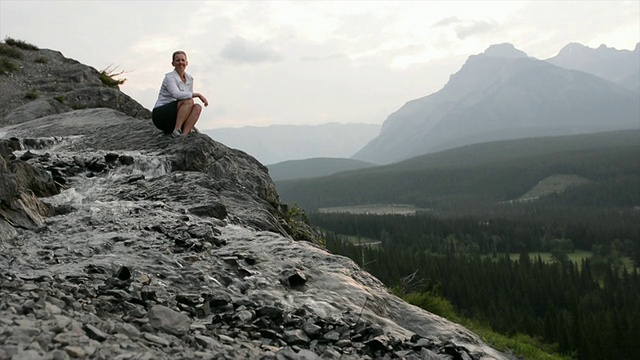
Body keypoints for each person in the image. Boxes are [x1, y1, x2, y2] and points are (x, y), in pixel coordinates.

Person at [152, 50, 208, 139]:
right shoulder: (169, 77)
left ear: (186, 62)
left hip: (177, 114)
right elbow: (176, 94)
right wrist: (198, 95)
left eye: (183, 60)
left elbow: (187, 96)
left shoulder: (189, 78)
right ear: (173, 63)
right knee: (189, 101)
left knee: (197, 107)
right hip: (162, 114)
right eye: (177, 60)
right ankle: (176, 130)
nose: (180, 63)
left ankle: (184, 135)